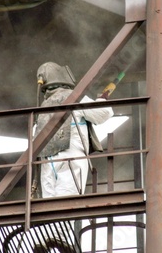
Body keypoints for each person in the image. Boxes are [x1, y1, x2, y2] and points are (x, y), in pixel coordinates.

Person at [34, 61, 113, 198]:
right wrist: (101, 100)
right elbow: (103, 113)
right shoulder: (75, 98)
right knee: (67, 204)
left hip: (47, 164)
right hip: (72, 158)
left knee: (49, 209)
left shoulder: (42, 109)